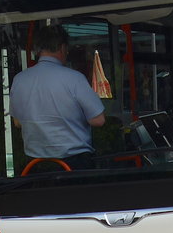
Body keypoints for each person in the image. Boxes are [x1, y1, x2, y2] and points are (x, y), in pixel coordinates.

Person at [9, 25, 105, 169]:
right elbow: (98, 120)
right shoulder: (74, 78)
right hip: (74, 164)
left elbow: (18, 122)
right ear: (62, 48)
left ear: (38, 49)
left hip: (35, 166)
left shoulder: (19, 79)